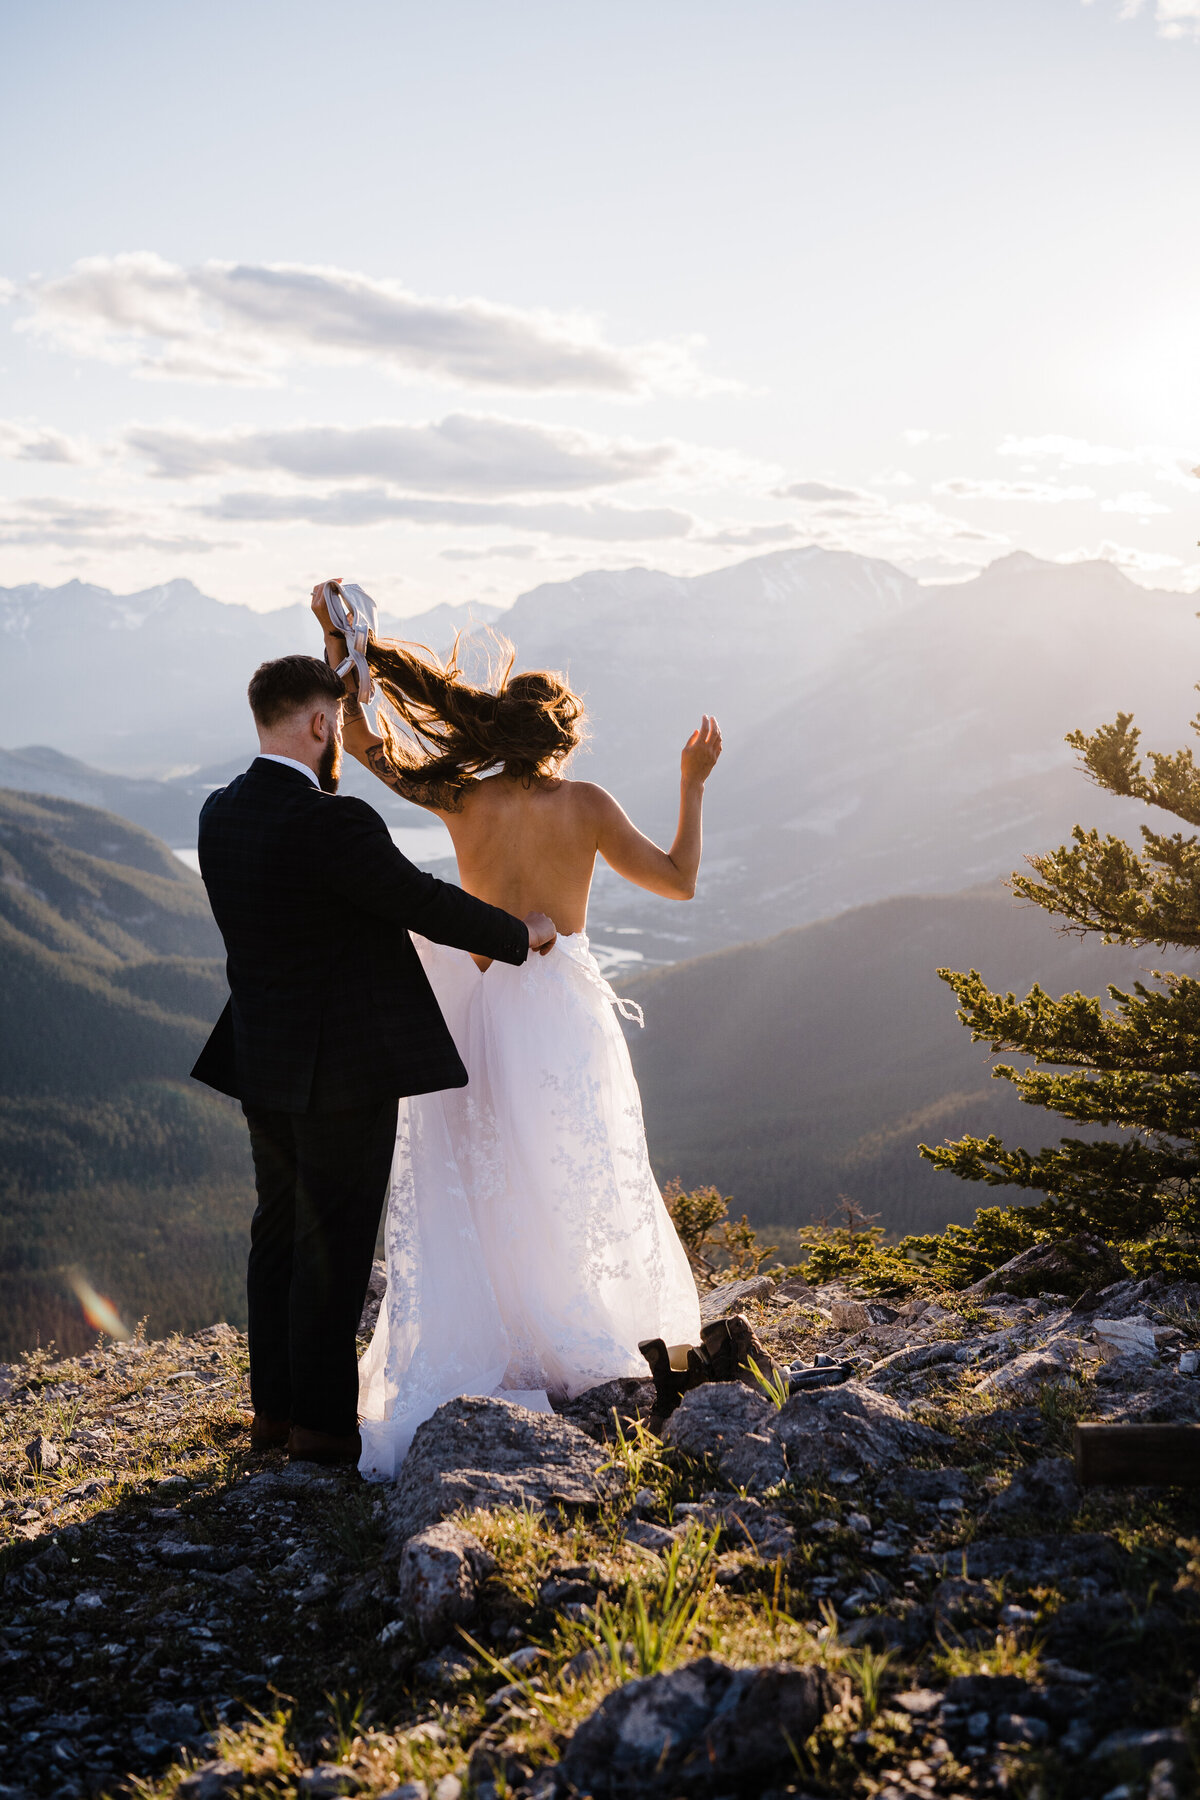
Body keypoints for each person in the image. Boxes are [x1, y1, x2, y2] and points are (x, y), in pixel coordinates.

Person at [311, 581, 722, 1478]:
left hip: (476, 1001)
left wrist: (355, 663)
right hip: (563, 1011)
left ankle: (498, 1341)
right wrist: (691, 786)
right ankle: (583, 1330)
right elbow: (681, 882)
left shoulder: (464, 797)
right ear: (563, 738)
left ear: (498, 729)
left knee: (482, 1171)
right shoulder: (590, 807)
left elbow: (364, 744)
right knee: (578, 1165)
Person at [190, 652, 557, 1465]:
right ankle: (323, 1434)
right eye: (337, 721)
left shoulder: (221, 812)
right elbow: (417, 901)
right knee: (337, 1243)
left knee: (278, 1234)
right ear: (322, 723)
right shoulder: (334, 823)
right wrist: (518, 935)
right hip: (343, 1070)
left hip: (262, 1056)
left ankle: (276, 1417)